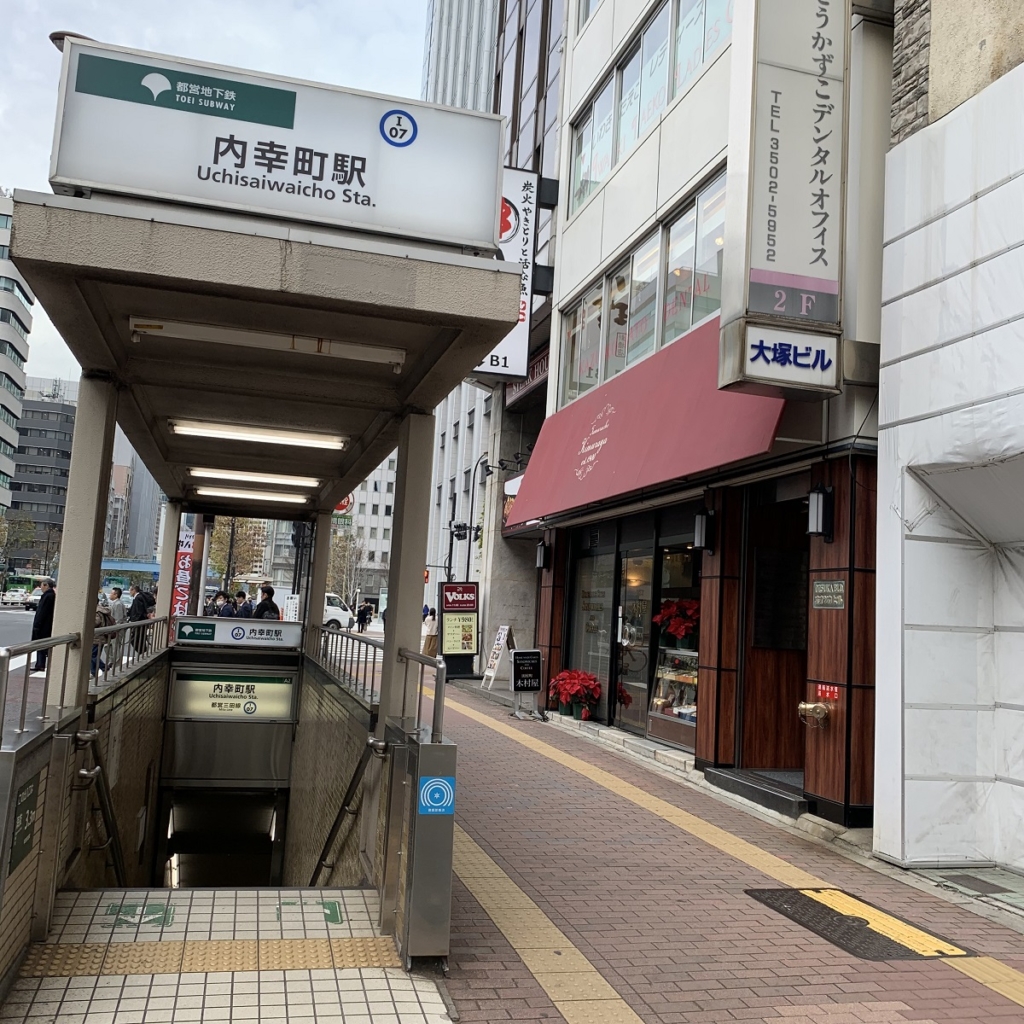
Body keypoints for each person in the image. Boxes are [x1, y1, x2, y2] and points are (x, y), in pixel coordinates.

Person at [31, 578, 56, 671]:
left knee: (41, 644)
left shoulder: (48, 596)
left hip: (43, 626)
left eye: (42, 585)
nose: (41, 587)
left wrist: (37, 624)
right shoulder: (50, 595)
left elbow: (42, 612)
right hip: (46, 625)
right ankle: (40, 663)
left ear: (46, 585)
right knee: (42, 645)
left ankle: (40, 664)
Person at [127, 584, 152, 652]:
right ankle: (143, 653)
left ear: (134, 590)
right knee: (140, 639)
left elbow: (138, 611)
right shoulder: (139, 597)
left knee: (135, 640)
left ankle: (142, 653)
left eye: (130, 590)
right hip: (142, 622)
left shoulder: (138, 598)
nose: (129, 592)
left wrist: (134, 620)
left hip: (139, 623)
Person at [108, 587, 126, 667]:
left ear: (116, 595)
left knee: (115, 647)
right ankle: (112, 662)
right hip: (114, 629)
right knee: (108, 646)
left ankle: (117, 665)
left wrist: (114, 630)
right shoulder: (115, 603)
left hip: (116, 630)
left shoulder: (118, 604)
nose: (110, 594)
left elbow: (118, 619)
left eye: (111, 593)